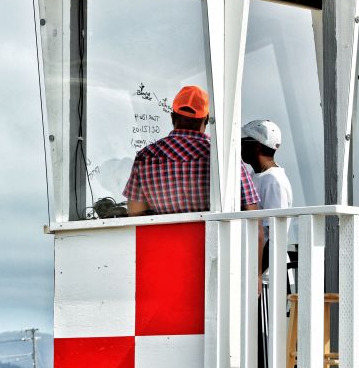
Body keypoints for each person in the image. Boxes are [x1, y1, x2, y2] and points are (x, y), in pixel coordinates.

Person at [123, 85, 261, 215]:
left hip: (163, 240)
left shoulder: (145, 157)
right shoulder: (222, 157)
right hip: (212, 240)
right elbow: (251, 214)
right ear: (206, 119)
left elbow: (136, 214)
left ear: (172, 117)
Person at [241, 119, 293, 368]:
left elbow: (275, 234)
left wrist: (257, 274)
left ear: (257, 146)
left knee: (267, 342)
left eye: (244, 142)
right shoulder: (258, 176)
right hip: (260, 272)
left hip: (268, 276)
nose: (240, 147)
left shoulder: (273, 181)